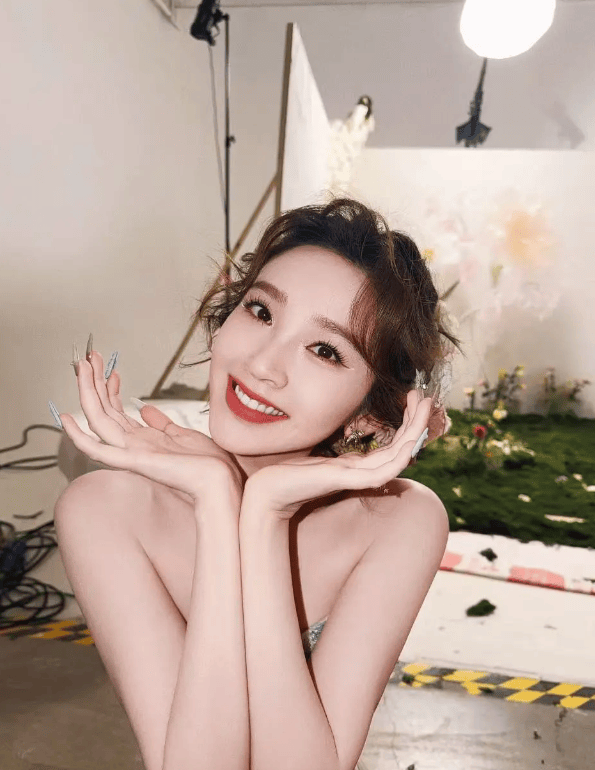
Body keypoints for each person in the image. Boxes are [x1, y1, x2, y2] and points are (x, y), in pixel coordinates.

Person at [52, 198, 463, 770]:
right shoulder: (103, 510)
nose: (263, 364)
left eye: (325, 350)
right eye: (261, 311)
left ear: (368, 414)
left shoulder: (398, 522)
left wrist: (265, 514)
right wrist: (218, 502)